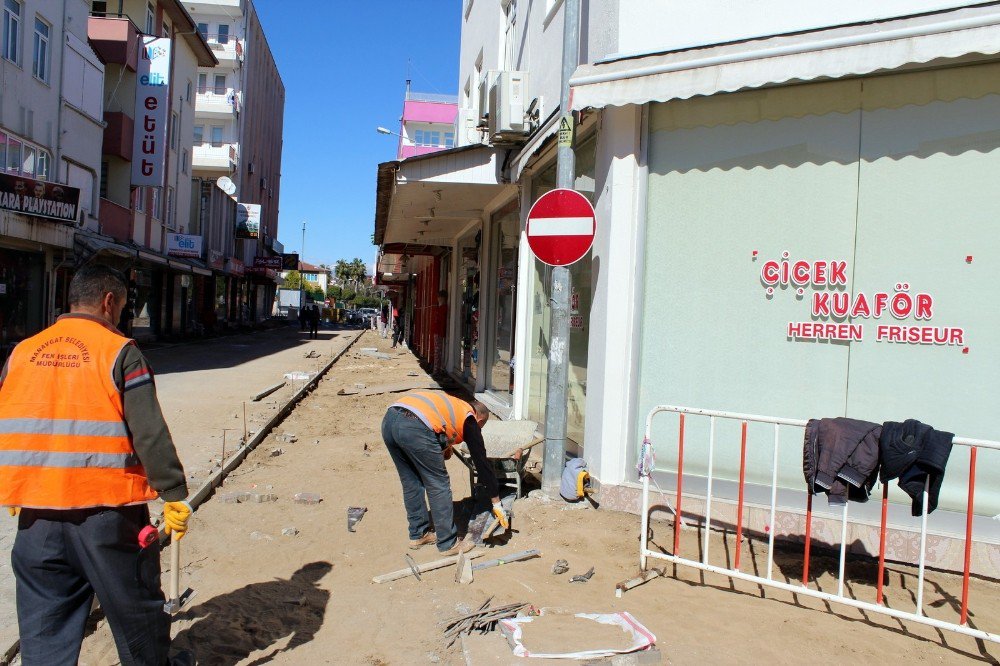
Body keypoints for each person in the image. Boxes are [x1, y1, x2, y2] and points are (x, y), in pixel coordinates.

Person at [0, 263, 193, 666]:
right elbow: (149, 432)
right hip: (109, 518)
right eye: (123, 309)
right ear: (109, 302)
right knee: (137, 616)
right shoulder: (119, 351)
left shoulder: (22, 352)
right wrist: (173, 493)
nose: (121, 318)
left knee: (45, 628)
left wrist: (14, 485)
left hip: (36, 520)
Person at [381, 391, 508, 555]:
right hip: (415, 426)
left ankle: (419, 534)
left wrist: (444, 447)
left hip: (390, 420)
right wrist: (497, 503)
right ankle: (448, 543)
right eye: (480, 428)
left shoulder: (453, 405)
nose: (478, 431)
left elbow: (438, 428)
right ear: (480, 419)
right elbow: (481, 462)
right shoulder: (469, 418)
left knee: (411, 481)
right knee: (438, 484)